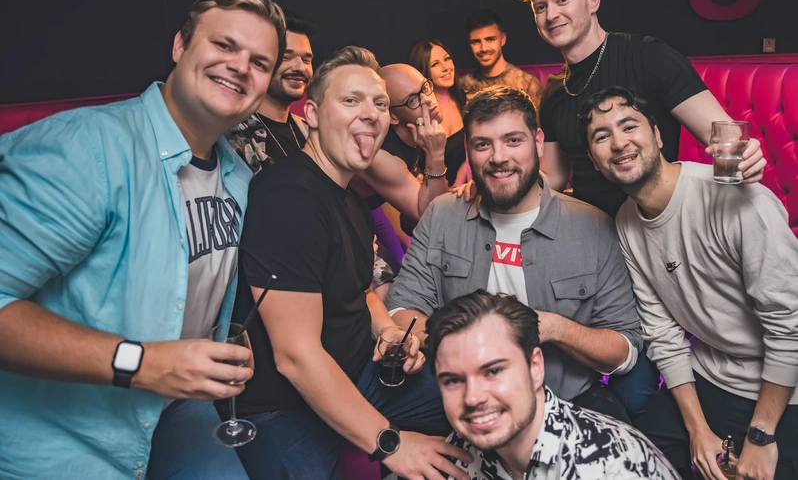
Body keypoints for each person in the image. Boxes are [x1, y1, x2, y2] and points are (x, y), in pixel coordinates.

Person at [0, 0, 286, 480]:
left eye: (259, 61)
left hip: (173, 410)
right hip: (60, 433)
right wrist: (145, 362)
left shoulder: (238, 176)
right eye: (224, 45)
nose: (240, 66)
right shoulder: (86, 149)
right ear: (179, 46)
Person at [230, 46, 472, 480]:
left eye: (379, 104)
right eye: (350, 100)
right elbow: (295, 357)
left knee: (477, 395)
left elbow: (361, 293)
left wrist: (389, 332)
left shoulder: (350, 200)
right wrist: (390, 443)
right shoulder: (289, 198)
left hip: (361, 372)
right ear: (313, 115)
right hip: (282, 406)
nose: (370, 114)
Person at [387, 86, 643, 424]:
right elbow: (403, 306)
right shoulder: (442, 216)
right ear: (468, 150)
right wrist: (417, 337)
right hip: (462, 405)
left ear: (538, 142)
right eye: (482, 144)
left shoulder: (593, 227)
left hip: (564, 402)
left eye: (513, 140)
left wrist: (554, 328)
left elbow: (624, 350)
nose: (498, 157)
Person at [581, 86, 798, 480]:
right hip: (711, 374)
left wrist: (761, 436)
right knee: (629, 465)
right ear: (595, 163)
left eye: (629, 125)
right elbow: (662, 333)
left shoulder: (737, 199)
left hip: (784, 385)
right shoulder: (626, 223)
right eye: (601, 136)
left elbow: (790, 327)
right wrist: (698, 430)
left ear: (659, 134)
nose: (618, 143)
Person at [516, 0, 766, 219]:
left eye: (562, 0)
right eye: (540, 7)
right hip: (591, 232)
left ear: (592, 1)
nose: (551, 15)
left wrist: (746, 155)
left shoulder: (648, 57)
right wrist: (502, 181)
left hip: (659, 225)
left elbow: (725, 138)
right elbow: (554, 176)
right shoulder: (554, 92)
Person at [426, 290, 680, 480]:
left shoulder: (615, 467)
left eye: (493, 371)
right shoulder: (461, 449)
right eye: (454, 380)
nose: (472, 398)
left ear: (535, 367)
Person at [350, 63, 450, 270]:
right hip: (338, 224)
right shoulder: (379, 155)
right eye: (412, 100)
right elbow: (432, 217)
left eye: (424, 88)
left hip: (368, 211)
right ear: (392, 117)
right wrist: (435, 154)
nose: (427, 100)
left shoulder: (416, 130)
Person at [226, 11, 316, 171]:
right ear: (258, 63)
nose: (300, 67)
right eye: (286, 57)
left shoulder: (311, 130)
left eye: (306, 60)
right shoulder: (234, 133)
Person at [409, 38, 469, 186]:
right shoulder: (418, 113)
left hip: (463, 188)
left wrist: (458, 184)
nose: (445, 67)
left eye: (447, 59)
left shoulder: (463, 99)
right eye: (435, 64)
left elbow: (471, 150)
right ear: (423, 72)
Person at [459, 8, 542, 108]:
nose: (483, 48)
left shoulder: (528, 84)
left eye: (490, 39)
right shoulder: (463, 86)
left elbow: (538, 123)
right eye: (476, 42)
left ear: (502, 39)